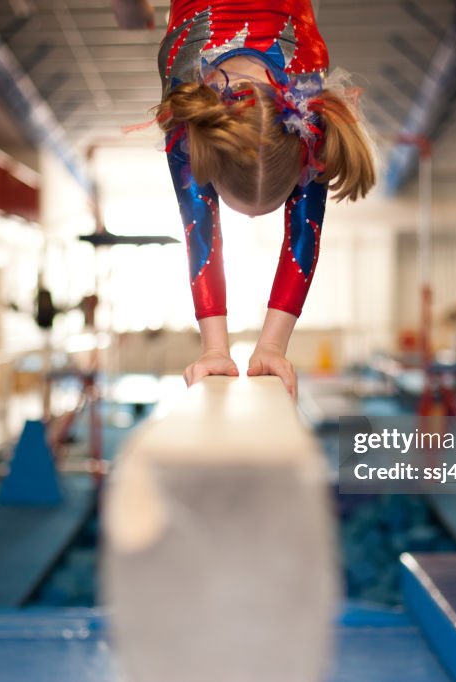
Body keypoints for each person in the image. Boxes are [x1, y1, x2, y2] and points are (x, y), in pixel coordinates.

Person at [114, 0, 376, 398]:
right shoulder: (301, 101)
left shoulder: (192, 96)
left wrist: (259, 347)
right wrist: (219, 348)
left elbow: (209, 233)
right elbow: (208, 234)